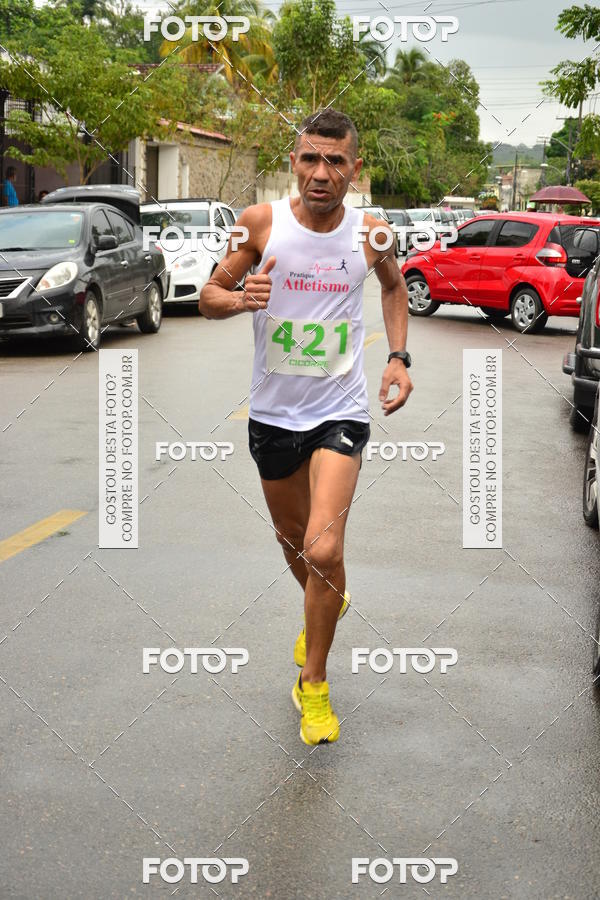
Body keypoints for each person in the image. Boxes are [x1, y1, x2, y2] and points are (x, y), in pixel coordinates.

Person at [200, 109, 412, 745]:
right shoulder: (262, 224)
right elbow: (209, 296)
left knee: (325, 550)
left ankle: (313, 683)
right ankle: (328, 600)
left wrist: (398, 357)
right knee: (295, 544)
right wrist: (240, 299)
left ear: (355, 167)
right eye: (310, 160)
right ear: (295, 162)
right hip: (271, 415)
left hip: (341, 411)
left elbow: (394, 289)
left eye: (335, 161)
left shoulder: (371, 234)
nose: (322, 173)